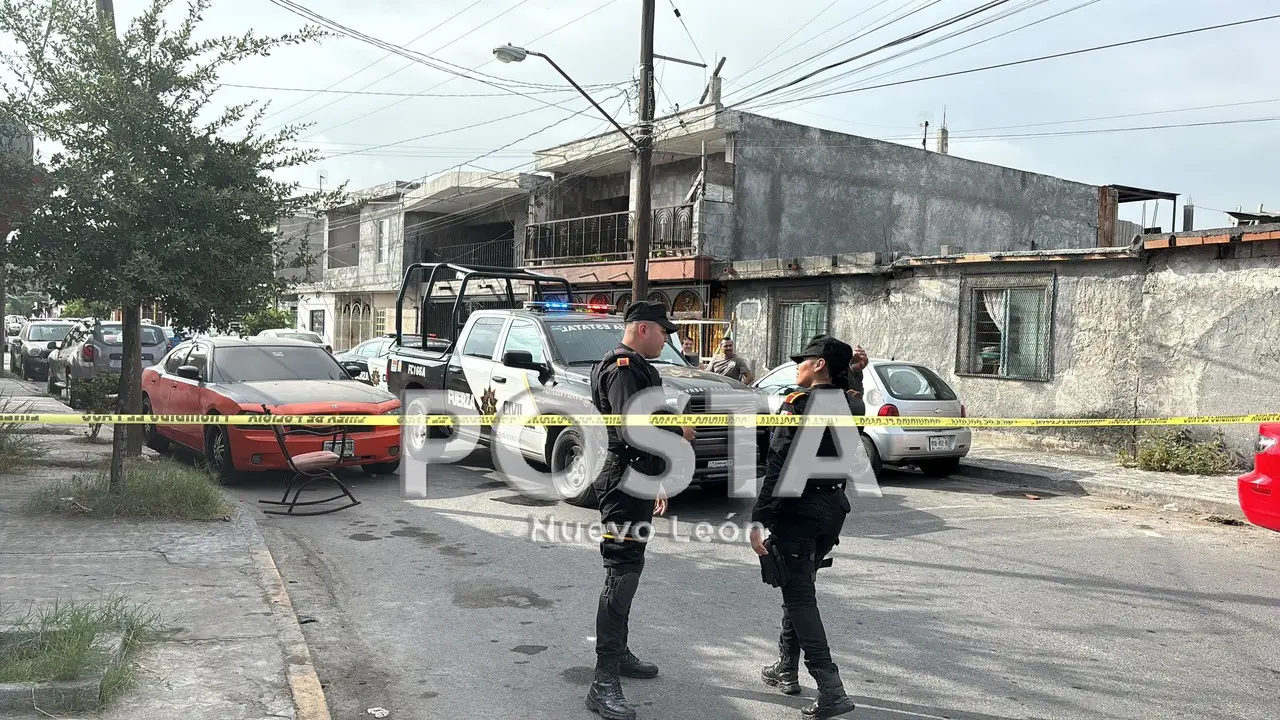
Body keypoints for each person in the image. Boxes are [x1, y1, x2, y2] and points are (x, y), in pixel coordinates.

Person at [586, 300, 696, 720]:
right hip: (621, 481)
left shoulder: (633, 367)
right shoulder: (623, 369)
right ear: (644, 329)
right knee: (621, 572)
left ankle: (620, 655)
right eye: (664, 332)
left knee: (630, 570)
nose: (668, 339)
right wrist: (678, 429)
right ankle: (603, 681)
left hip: (635, 479)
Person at [749, 335, 864, 720]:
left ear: (819, 365)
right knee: (797, 583)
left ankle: (830, 687)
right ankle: (785, 666)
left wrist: (759, 518)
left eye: (804, 360)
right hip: (832, 508)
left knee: (799, 595)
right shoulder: (848, 401)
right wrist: (856, 377)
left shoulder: (797, 403)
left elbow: (779, 466)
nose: (797, 365)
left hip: (800, 509)